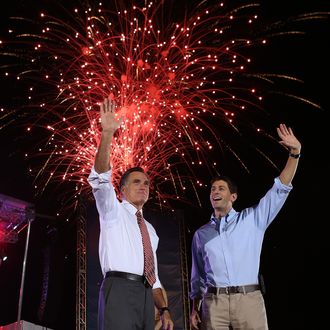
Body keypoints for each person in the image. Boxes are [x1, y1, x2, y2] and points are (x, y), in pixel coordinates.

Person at [189, 123, 301, 330]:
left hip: (248, 300)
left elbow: (280, 188)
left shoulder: (252, 219)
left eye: (221, 188)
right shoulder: (201, 234)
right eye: (213, 188)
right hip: (214, 304)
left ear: (233, 196)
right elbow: (198, 276)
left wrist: (294, 153)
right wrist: (195, 307)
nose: (215, 191)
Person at [88, 97, 174, 330]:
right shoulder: (112, 210)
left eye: (146, 183)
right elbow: (99, 179)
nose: (143, 186)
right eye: (136, 182)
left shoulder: (150, 230)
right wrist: (107, 134)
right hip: (119, 289)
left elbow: (153, 275)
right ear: (122, 189)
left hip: (146, 295)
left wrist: (164, 309)